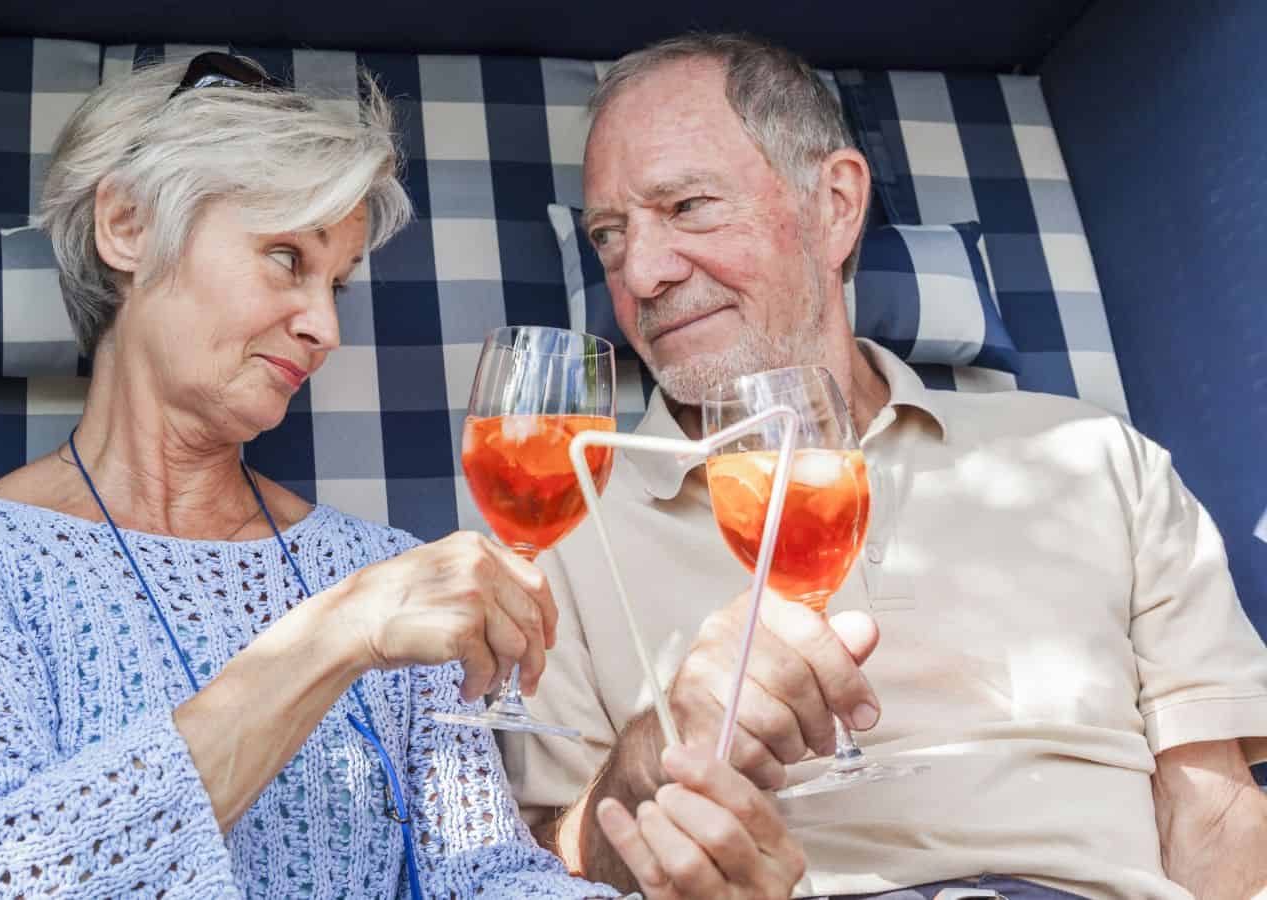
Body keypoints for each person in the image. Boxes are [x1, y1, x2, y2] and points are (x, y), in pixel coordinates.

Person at [0, 52, 802, 899]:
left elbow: (485, 878)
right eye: (284, 257)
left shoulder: (382, 568)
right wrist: (327, 637)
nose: (325, 328)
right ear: (125, 226)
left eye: (335, 284)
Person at [508, 32, 1267, 900]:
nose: (641, 272)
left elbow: (1215, 816)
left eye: (687, 207)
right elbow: (536, 862)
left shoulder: (1092, 457)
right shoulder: (563, 526)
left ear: (834, 204)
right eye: (609, 235)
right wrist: (660, 746)